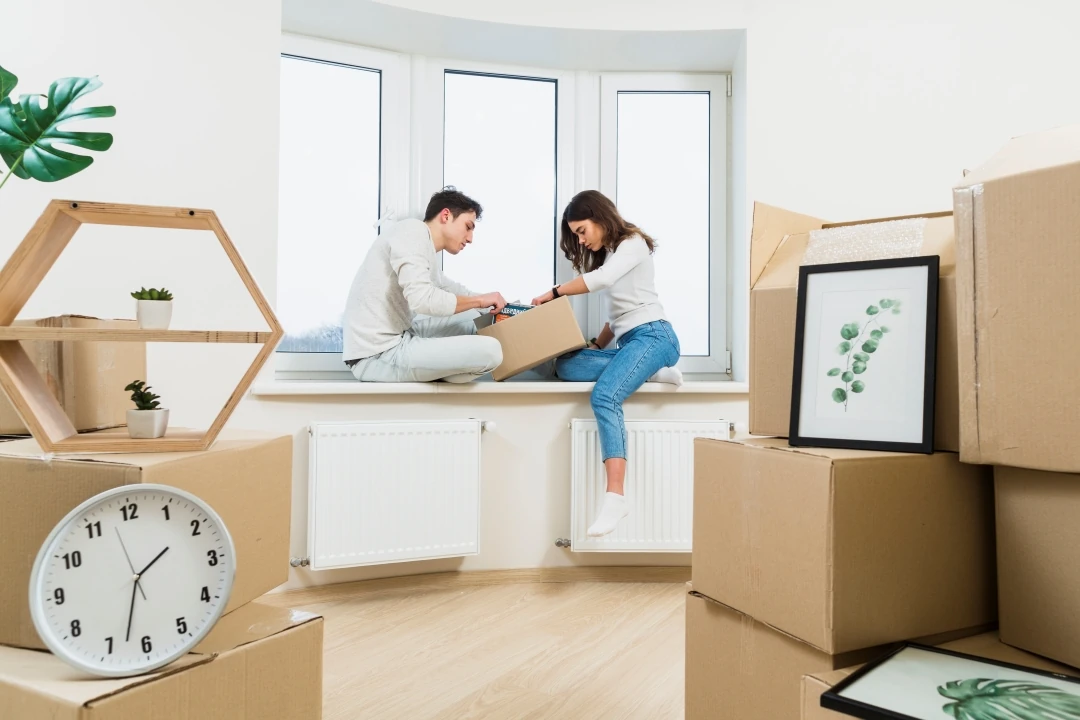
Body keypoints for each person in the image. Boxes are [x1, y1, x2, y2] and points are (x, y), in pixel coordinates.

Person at [531, 190, 682, 537]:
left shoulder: (633, 242)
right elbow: (618, 316)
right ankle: (653, 372)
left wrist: (553, 293)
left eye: (582, 230)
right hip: (632, 344)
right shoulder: (613, 253)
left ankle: (615, 497)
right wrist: (596, 346)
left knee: (604, 396)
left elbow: (602, 281)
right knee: (567, 365)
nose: (581, 240)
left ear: (599, 218)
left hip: (656, 337)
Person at [343, 186, 508, 383]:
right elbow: (422, 299)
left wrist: (490, 303)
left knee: (473, 318)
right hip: (376, 355)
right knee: (491, 352)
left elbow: (448, 288)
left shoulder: (424, 248)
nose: (470, 238)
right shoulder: (411, 231)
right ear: (445, 215)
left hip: (400, 337)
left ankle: (436, 369)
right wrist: (479, 301)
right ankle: (438, 371)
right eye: (468, 226)